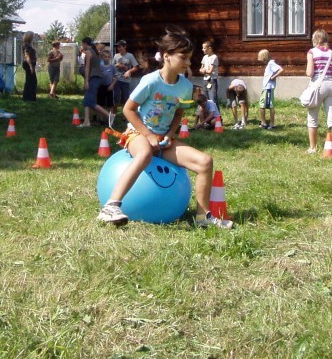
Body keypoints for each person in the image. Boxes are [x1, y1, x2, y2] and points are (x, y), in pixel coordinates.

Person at [97, 26, 233, 229]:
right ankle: (111, 206)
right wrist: (148, 135)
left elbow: (178, 113)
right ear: (167, 56)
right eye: (183, 58)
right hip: (137, 133)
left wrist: (169, 134)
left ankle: (203, 218)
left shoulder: (185, 87)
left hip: (162, 139)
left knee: (205, 162)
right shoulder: (151, 81)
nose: (188, 63)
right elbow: (128, 109)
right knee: (144, 153)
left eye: (189, 58)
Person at [305, 29, 332, 155]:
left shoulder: (312, 52)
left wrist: (310, 72)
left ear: (315, 39)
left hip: (317, 85)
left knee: (312, 117)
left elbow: (310, 72)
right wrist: (328, 73)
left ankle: (313, 147)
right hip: (330, 85)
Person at [78, 37, 113, 128]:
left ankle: (109, 115)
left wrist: (86, 81)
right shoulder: (94, 52)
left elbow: (87, 68)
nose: (82, 45)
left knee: (91, 102)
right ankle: (87, 122)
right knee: (86, 100)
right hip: (96, 78)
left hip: (93, 78)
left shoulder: (88, 52)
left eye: (82, 44)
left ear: (85, 43)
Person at [257, 49, 283, 129]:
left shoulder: (271, 63)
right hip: (266, 87)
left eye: (260, 57)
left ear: (264, 57)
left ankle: (269, 123)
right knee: (263, 105)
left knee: (266, 105)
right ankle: (265, 122)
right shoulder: (269, 64)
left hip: (268, 88)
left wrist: (273, 77)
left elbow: (281, 69)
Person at [113, 39, 139, 114]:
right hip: (117, 80)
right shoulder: (116, 56)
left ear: (124, 47)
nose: (118, 48)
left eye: (120, 47)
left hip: (126, 80)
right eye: (117, 47)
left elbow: (136, 67)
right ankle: (114, 115)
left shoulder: (130, 56)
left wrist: (129, 71)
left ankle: (125, 115)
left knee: (125, 99)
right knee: (116, 97)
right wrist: (116, 65)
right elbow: (111, 67)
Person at [97, 47, 118, 120]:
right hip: (101, 87)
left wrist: (112, 85)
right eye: (105, 57)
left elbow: (116, 77)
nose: (107, 58)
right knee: (101, 103)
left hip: (109, 87)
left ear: (110, 58)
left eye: (108, 57)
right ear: (102, 58)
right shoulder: (100, 67)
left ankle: (111, 119)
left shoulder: (112, 67)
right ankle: (101, 119)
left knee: (110, 104)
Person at [21, 31, 38, 102]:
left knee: (30, 80)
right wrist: (30, 66)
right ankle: (29, 97)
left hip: (29, 64)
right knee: (32, 80)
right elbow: (27, 56)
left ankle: (28, 96)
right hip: (28, 64)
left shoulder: (28, 45)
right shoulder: (27, 45)